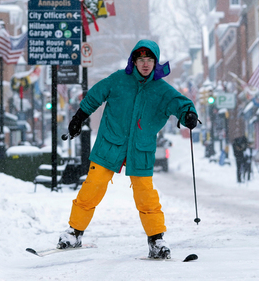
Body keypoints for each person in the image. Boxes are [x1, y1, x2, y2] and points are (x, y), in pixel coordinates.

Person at [57, 40, 198, 260]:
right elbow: (94, 95)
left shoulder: (161, 90)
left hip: (140, 149)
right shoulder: (118, 80)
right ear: (134, 60)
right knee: (92, 187)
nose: (145, 64)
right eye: (141, 59)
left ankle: (156, 239)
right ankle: (74, 231)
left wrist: (188, 115)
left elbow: (181, 104)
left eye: (150, 59)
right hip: (109, 143)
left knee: (146, 196)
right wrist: (78, 118)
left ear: (155, 62)